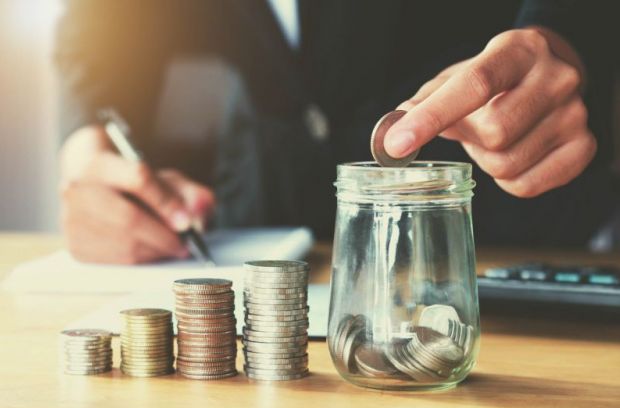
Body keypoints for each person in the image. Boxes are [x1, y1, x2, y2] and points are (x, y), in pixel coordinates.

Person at [55, 0, 618, 264]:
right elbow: (100, 34)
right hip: (259, 225)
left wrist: (569, 43)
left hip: (506, 242)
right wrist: (86, 144)